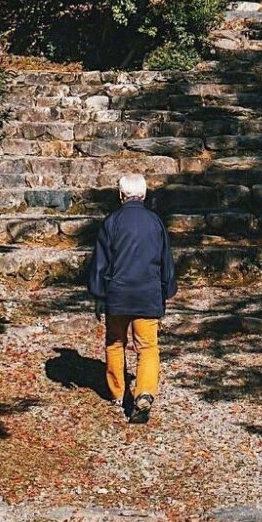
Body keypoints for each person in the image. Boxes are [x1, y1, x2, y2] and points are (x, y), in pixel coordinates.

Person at [88, 172, 177, 424]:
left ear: (120, 195)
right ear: (145, 194)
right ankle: (145, 392)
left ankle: (117, 391)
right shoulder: (156, 223)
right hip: (148, 294)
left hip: (117, 295)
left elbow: (100, 263)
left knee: (115, 342)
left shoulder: (111, 222)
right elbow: (165, 261)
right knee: (147, 347)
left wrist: (98, 294)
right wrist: (165, 292)